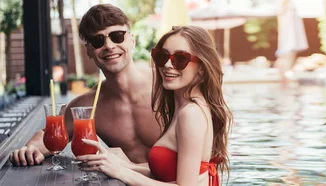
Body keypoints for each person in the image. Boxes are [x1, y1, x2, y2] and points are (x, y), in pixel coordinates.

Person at [76, 26, 232, 186]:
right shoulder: (187, 106)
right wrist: (123, 165)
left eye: (180, 59)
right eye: (162, 56)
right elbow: (170, 173)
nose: (168, 65)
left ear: (201, 68)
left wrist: (121, 172)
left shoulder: (191, 113)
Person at [9, 4, 161, 166]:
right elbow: (51, 135)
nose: (109, 46)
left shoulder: (165, 87)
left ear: (132, 40)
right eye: (98, 41)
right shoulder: (88, 105)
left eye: (117, 36)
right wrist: (30, 149)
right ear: (88, 50)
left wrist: (131, 168)